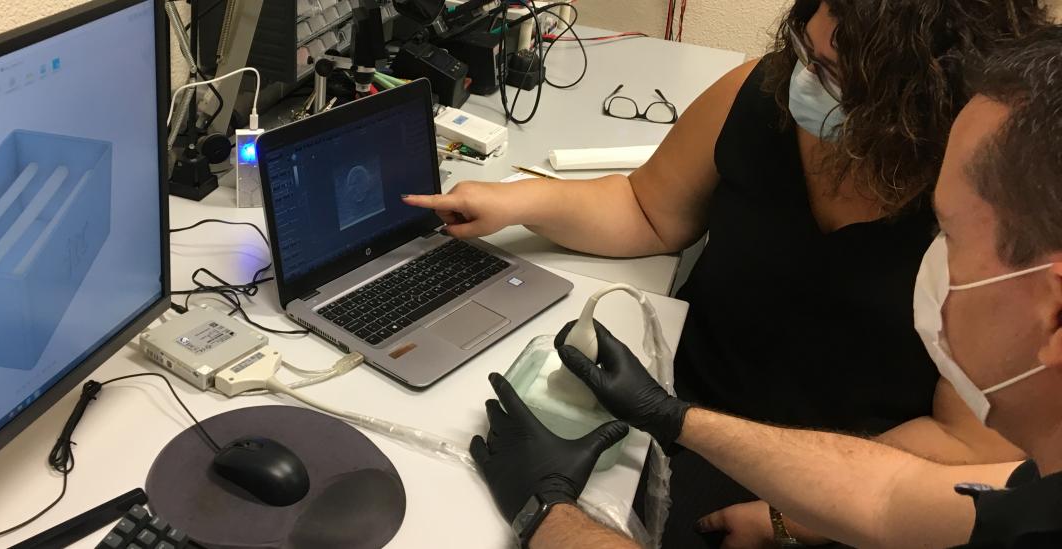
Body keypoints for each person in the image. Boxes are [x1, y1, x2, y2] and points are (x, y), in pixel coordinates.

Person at [408, 1, 1051, 545]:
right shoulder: (763, 93)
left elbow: (950, 460)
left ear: (922, 103)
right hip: (679, 407)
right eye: (804, 50)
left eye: (832, 75)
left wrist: (792, 519)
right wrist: (516, 200)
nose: (802, 79)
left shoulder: (984, 203)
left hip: (840, 475)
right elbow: (646, 208)